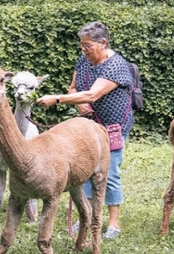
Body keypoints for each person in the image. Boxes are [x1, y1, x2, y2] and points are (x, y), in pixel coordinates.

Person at [36, 21, 134, 239]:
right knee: (86, 170)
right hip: (88, 128)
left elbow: (92, 94)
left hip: (112, 127)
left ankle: (114, 223)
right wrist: (77, 102)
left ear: (103, 43)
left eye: (87, 45)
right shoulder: (84, 60)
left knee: (110, 172)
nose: (83, 50)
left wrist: (57, 99)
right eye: (81, 45)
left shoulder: (117, 66)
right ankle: (86, 218)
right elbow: (75, 87)